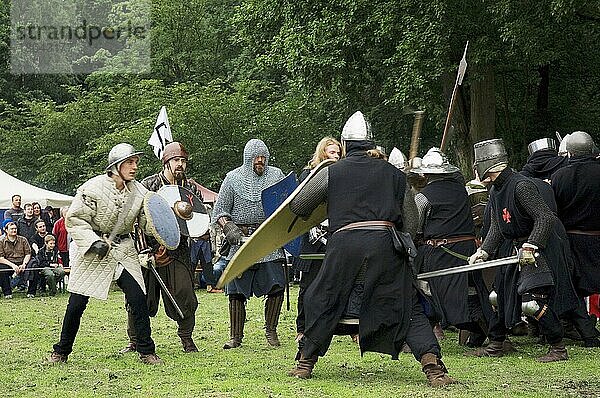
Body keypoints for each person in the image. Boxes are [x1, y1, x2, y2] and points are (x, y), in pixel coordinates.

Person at [287, 111, 454, 386]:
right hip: (384, 246)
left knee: (323, 299)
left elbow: (299, 206)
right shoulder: (393, 173)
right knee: (407, 304)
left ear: (345, 143)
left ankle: (305, 362)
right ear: (371, 143)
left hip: (344, 247)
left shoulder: (332, 172)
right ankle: (433, 368)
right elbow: (411, 224)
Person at [48, 143, 162, 365]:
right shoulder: (93, 188)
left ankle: (147, 351)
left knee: (138, 298)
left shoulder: (140, 192)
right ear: (116, 166)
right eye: (130, 162)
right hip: (95, 249)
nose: (135, 166)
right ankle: (61, 351)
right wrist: (92, 242)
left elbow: (147, 223)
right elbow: (74, 219)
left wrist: (165, 221)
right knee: (77, 302)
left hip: (124, 249)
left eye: (136, 162)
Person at [468, 138, 579, 362]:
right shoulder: (498, 189)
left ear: (486, 165)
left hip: (535, 249)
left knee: (532, 303)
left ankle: (558, 348)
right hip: (514, 249)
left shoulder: (521, 185)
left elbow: (545, 218)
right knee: (497, 297)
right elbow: (500, 225)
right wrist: (485, 252)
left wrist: (531, 245)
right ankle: (497, 344)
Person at [121, 141, 201, 354]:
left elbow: (197, 222)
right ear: (166, 162)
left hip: (178, 252)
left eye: (183, 161)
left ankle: (187, 337)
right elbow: (137, 220)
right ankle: (135, 339)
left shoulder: (190, 188)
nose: (180, 165)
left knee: (185, 293)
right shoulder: (148, 185)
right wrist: (144, 251)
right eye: (176, 160)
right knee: (138, 296)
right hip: (149, 250)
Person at [413, 148, 493, 347]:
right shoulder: (463, 190)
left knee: (437, 296)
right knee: (470, 292)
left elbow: (415, 227)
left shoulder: (423, 197)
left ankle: (494, 335)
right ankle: (487, 334)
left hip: (441, 253)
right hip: (467, 250)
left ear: (426, 173)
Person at [212, 138, 287, 349]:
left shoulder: (276, 176)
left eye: (263, 158)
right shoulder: (233, 178)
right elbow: (220, 211)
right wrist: (228, 227)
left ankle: (271, 331)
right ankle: (236, 337)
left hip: (267, 239)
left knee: (276, 286)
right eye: (256, 158)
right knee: (235, 291)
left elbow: (287, 206)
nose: (260, 161)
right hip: (239, 240)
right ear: (248, 159)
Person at [551, 131, 600, 346]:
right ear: (591, 150)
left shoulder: (559, 176)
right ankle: (589, 334)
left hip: (571, 241)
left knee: (574, 287)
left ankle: (588, 334)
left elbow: (555, 210)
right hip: (596, 238)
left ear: (569, 152)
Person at [293, 137, 342, 343]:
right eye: (332, 153)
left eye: (338, 153)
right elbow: (300, 205)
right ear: (322, 154)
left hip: (336, 236)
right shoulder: (308, 175)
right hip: (313, 237)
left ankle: (346, 328)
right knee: (308, 286)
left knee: (340, 284)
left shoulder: (343, 175)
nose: (336, 156)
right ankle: (302, 328)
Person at [0, 221, 31, 299]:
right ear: (6, 230)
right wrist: (13, 266)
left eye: (15, 229)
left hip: (22, 261)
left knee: (34, 266)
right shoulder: (1, 242)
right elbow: (1, 258)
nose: (14, 230)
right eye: (11, 229)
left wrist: (24, 264)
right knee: (2, 269)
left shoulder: (23, 240)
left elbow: (28, 254)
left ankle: (31, 292)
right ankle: (7, 293)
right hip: (8, 263)